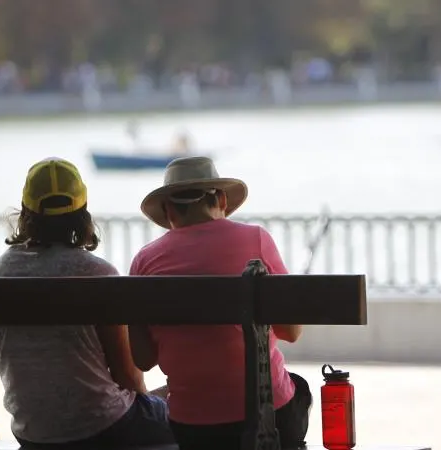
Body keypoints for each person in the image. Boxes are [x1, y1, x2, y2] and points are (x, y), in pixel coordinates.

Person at [127, 156, 312, 450]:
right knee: (298, 387)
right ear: (222, 199)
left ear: (168, 210)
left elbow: (143, 358)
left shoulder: (144, 262)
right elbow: (291, 331)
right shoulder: (256, 240)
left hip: (192, 428)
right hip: (267, 418)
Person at [0, 157, 173, 447]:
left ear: (26, 212)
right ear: (82, 212)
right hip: (103, 428)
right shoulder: (97, 273)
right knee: (182, 409)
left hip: (32, 434)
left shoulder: (0, 272)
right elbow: (128, 379)